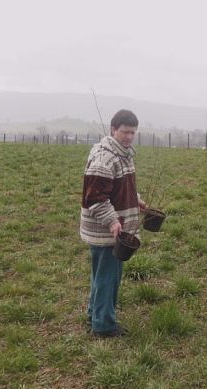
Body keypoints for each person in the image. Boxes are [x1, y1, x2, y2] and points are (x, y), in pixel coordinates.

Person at [80, 109, 145, 337]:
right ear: (113, 129)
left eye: (133, 133)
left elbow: (119, 189)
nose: (129, 137)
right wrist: (111, 221)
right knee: (108, 277)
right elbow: (95, 198)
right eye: (125, 132)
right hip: (106, 229)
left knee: (102, 275)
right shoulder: (105, 157)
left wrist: (137, 202)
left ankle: (95, 315)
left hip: (115, 227)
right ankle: (104, 326)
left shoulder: (123, 154)